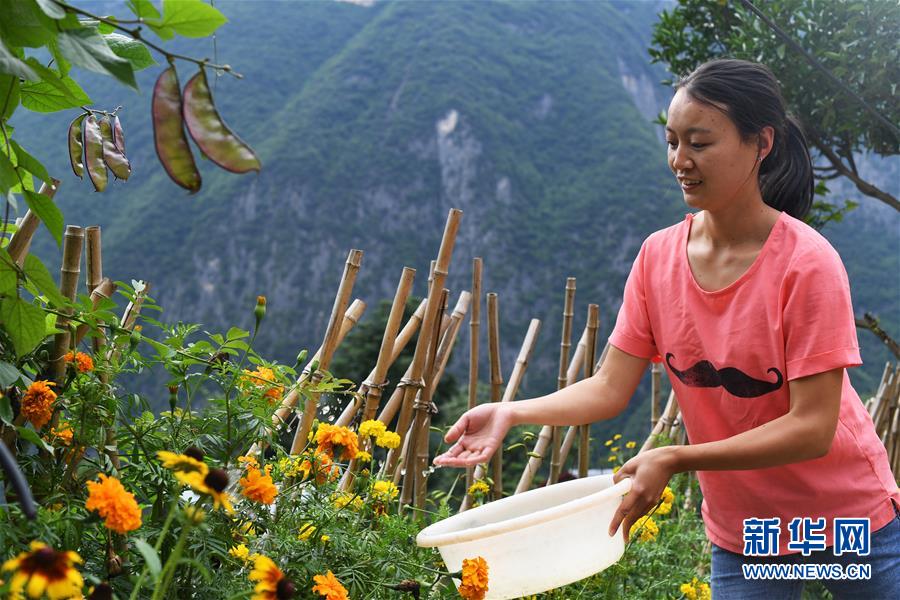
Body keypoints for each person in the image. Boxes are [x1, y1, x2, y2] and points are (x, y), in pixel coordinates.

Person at [433, 59, 900, 598]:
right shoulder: (658, 258)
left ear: (761, 144)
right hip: (751, 533)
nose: (681, 161)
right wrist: (512, 412)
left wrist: (677, 457)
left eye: (700, 143)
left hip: (847, 524)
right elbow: (610, 388)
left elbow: (813, 428)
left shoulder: (808, 264)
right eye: (673, 141)